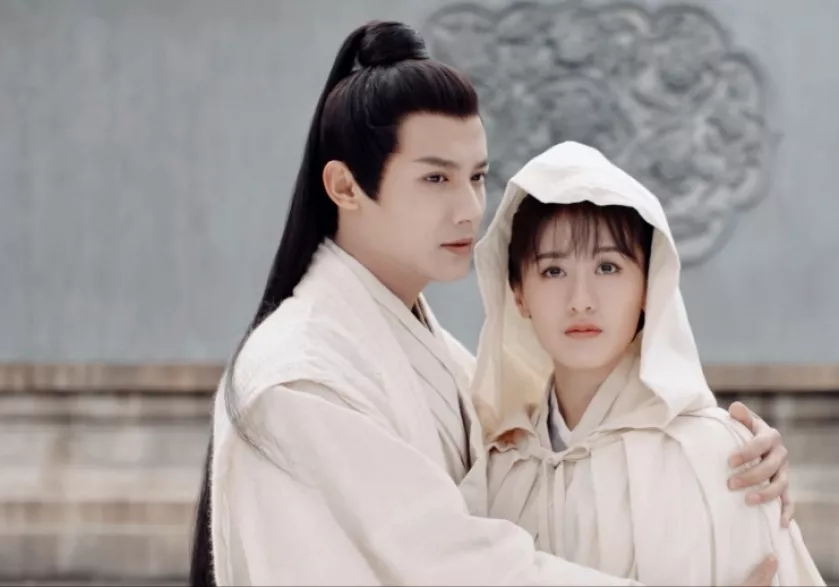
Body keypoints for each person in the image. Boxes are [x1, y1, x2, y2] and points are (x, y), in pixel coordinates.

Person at [189, 21, 794, 586]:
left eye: (476, 177)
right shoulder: (304, 379)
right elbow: (455, 564)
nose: (468, 209)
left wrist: (719, 455)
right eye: (436, 178)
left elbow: (558, 441)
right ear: (345, 186)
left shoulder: (433, 357)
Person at [471, 141, 824, 585]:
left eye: (608, 267)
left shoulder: (717, 454)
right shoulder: (503, 468)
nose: (581, 301)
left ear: (647, 287)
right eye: (553, 271)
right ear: (519, 294)